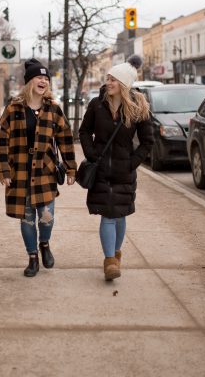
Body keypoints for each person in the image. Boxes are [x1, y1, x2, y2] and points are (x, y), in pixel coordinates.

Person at [0, 59, 77, 277]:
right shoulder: (13, 109)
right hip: (20, 171)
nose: (43, 81)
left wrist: (71, 169)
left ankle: (44, 243)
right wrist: (3, 170)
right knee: (27, 217)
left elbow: (66, 140)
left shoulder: (54, 109)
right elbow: (2, 141)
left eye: (46, 78)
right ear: (29, 81)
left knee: (46, 216)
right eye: (38, 77)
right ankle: (32, 256)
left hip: (45, 172)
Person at [79, 55, 154, 281]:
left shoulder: (138, 107)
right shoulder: (96, 104)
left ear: (123, 84)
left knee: (120, 215)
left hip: (124, 172)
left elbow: (148, 141)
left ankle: (115, 255)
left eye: (113, 79)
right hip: (101, 170)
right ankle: (110, 260)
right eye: (108, 78)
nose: (108, 83)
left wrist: (132, 162)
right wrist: (92, 154)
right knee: (108, 215)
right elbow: (84, 131)